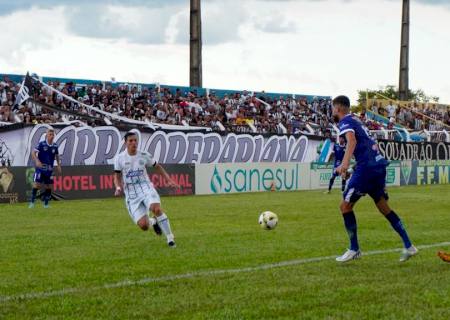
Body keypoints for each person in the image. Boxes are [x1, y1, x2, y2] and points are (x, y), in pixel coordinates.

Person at [332, 95, 417, 263]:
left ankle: (354, 248)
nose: (332, 111)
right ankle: (409, 246)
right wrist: (353, 168)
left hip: (368, 169)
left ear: (339, 108)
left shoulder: (345, 122)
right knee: (384, 207)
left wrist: (344, 164)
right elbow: (366, 148)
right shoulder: (357, 121)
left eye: (333, 108)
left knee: (345, 206)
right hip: (377, 165)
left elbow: (352, 141)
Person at [114, 131, 179, 247]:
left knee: (156, 209)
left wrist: (169, 180)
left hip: (145, 187)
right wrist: (118, 187)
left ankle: (170, 238)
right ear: (125, 143)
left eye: (135, 140)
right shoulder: (119, 158)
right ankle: (153, 221)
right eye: (131, 141)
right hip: (131, 193)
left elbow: (157, 166)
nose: (134, 143)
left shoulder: (144, 155)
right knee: (144, 226)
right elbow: (117, 176)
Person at [29, 127, 61, 208]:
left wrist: (58, 165)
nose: (52, 136)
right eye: (50, 134)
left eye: (53, 135)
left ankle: (46, 204)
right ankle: (32, 202)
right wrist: (37, 161)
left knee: (49, 186)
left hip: (49, 169)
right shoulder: (41, 144)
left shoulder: (55, 146)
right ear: (47, 135)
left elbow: (57, 155)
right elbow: (33, 153)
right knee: (37, 185)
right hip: (41, 168)